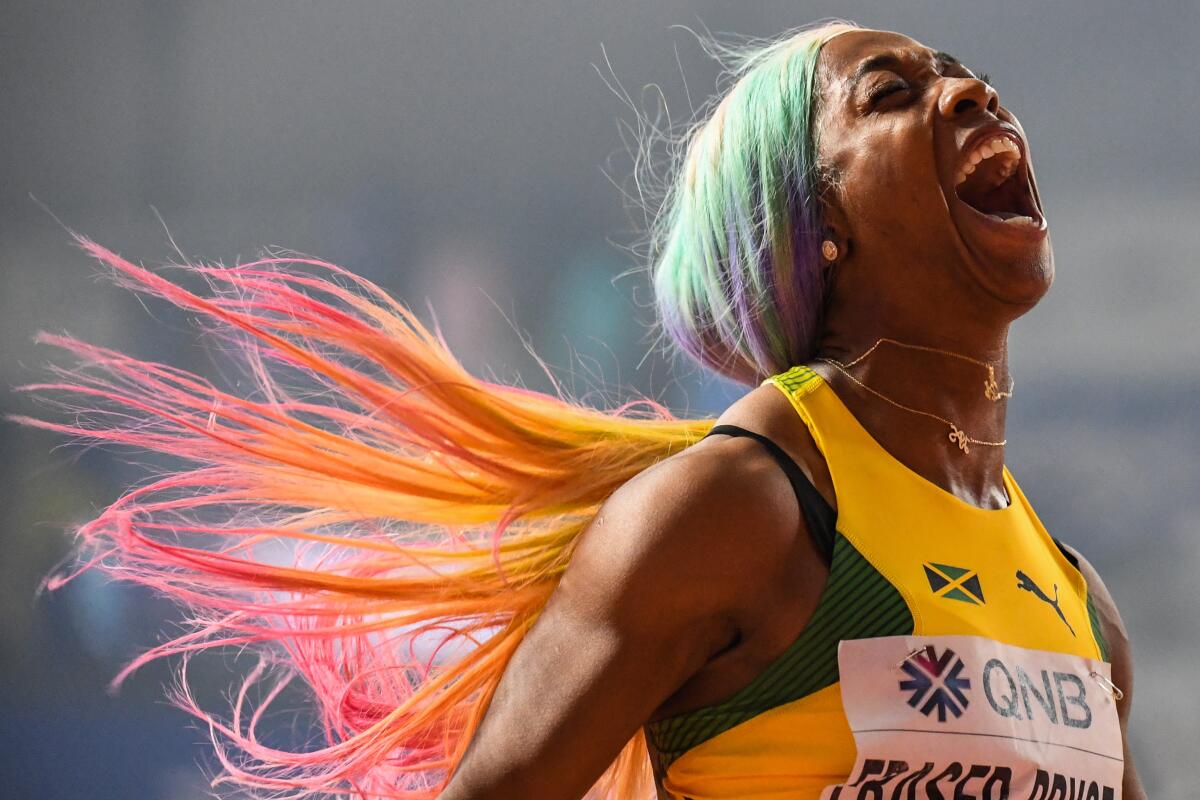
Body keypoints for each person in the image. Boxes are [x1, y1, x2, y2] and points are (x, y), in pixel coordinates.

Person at [20, 20, 1145, 800]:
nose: (973, 92)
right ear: (817, 229)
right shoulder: (738, 510)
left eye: (967, 74)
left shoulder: (1083, 606)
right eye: (892, 94)